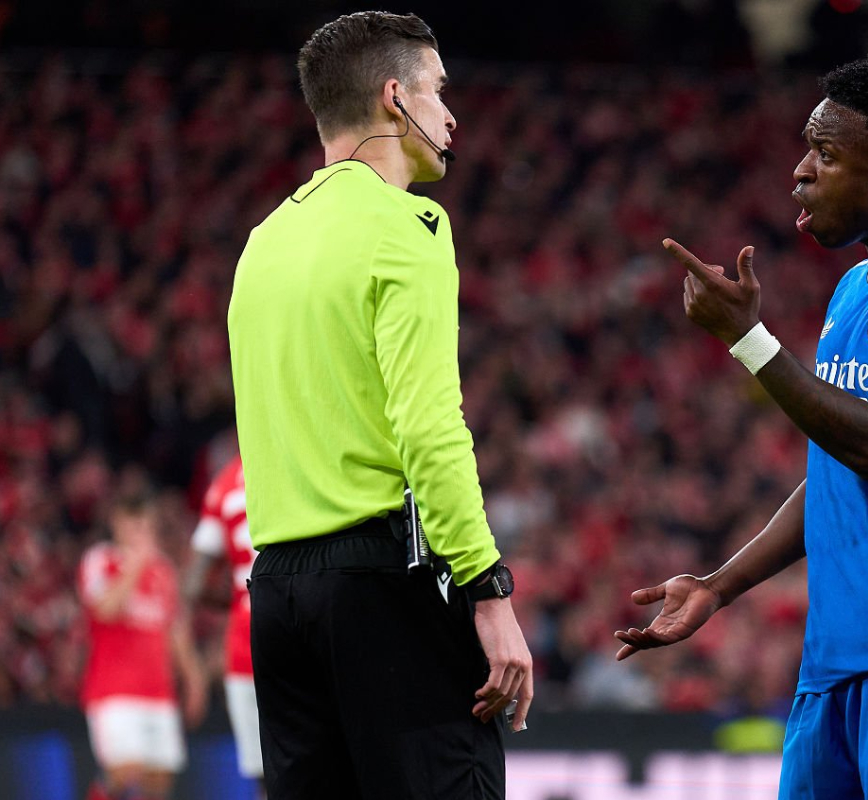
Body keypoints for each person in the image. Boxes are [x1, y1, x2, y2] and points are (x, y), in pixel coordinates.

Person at [615, 54, 868, 798]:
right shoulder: (853, 290)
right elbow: (836, 469)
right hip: (834, 665)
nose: (800, 171)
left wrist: (749, 340)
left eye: (825, 154)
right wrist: (719, 586)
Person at [226, 11, 533, 800]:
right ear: (395, 99)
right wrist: (488, 588)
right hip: (381, 588)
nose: (450, 116)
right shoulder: (408, 225)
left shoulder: (263, 243)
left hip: (277, 593)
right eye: (438, 92)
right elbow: (428, 428)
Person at [78, 492, 207, 800]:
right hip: (114, 690)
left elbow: (175, 630)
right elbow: (105, 609)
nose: (140, 533)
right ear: (117, 524)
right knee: (124, 773)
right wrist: (135, 565)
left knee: (158, 783)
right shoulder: (100, 560)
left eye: (146, 526)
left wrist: (193, 678)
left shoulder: (163, 570)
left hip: (159, 691)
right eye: (133, 525)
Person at [184, 453, 264, 790]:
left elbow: (194, 585)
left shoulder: (223, 483)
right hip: (299, 624)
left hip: (244, 642)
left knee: (265, 778)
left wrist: (237, 598)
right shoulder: (292, 454)